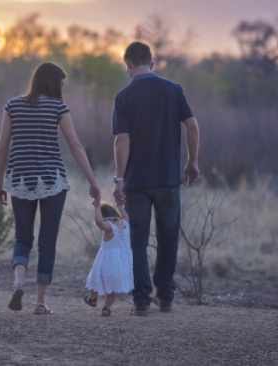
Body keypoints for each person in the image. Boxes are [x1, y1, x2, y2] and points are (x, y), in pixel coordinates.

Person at [0, 62, 101, 315]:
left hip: (20, 179)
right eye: (61, 84)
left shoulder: (12, 106)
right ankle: (40, 302)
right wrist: (92, 180)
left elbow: (1, 149)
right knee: (47, 242)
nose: (62, 88)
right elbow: (76, 147)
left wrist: (0, 184)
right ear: (53, 83)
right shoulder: (58, 108)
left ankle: (19, 281)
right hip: (52, 181)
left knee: (22, 238)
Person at [111, 41, 200, 316]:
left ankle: (141, 301)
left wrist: (119, 179)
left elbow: (121, 141)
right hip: (169, 178)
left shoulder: (124, 96)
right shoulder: (173, 90)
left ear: (127, 65)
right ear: (152, 63)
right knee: (169, 237)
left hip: (137, 182)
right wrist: (192, 161)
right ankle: (166, 296)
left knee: (138, 239)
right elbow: (192, 125)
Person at [83, 200, 133, 317]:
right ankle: (106, 308)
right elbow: (125, 216)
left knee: (96, 279)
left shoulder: (109, 227)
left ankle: (92, 298)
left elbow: (99, 222)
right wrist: (120, 207)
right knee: (112, 288)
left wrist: (96, 207)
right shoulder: (126, 224)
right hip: (121, 264)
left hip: (106, 262)